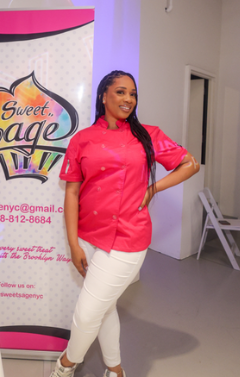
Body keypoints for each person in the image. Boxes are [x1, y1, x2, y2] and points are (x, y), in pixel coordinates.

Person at [53, 70, 200, 377]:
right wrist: (73, 243)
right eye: (120, 92)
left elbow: (190, 164)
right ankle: (115, 370)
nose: (128, 99)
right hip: (88, 236)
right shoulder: (82, 139)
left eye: (132, 94)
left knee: (87, 312)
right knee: (104, 308)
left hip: (128, 237)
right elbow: (72, 193)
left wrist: (153, 188)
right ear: (103, 96)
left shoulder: (148, 135)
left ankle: (65, 367)